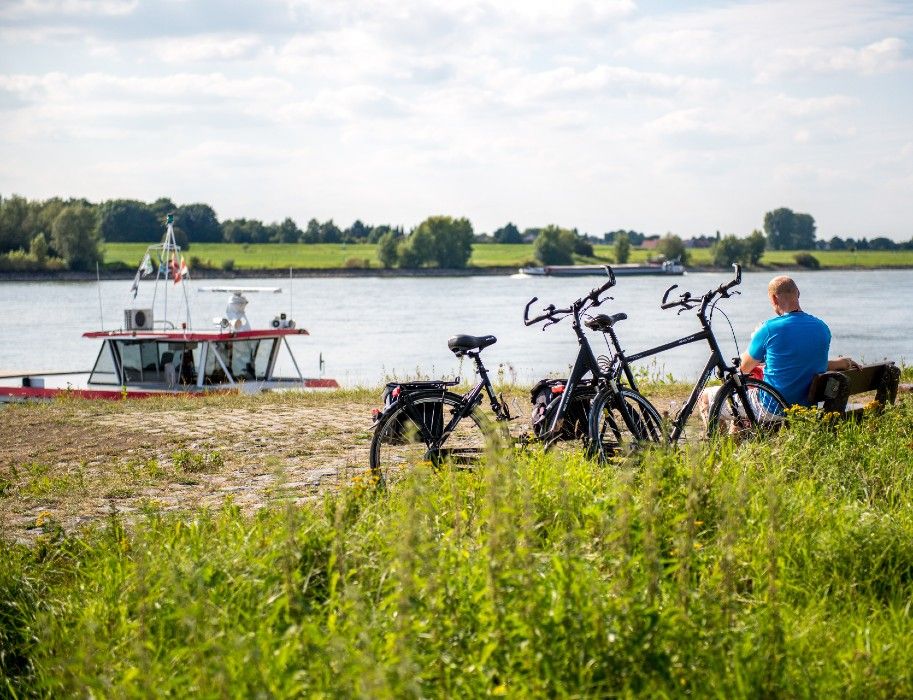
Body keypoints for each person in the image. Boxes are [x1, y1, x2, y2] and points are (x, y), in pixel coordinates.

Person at [700, 275, 860, 422]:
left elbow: (743, 369)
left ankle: (716, 448)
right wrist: (841, 362)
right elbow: (810, 364)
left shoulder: (768, 328)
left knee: (707, 397)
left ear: (774, 298)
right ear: (798, 293)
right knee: (742, 405)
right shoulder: (822, 328)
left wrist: (755, 337)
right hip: (804, 408)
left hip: (772, 407)